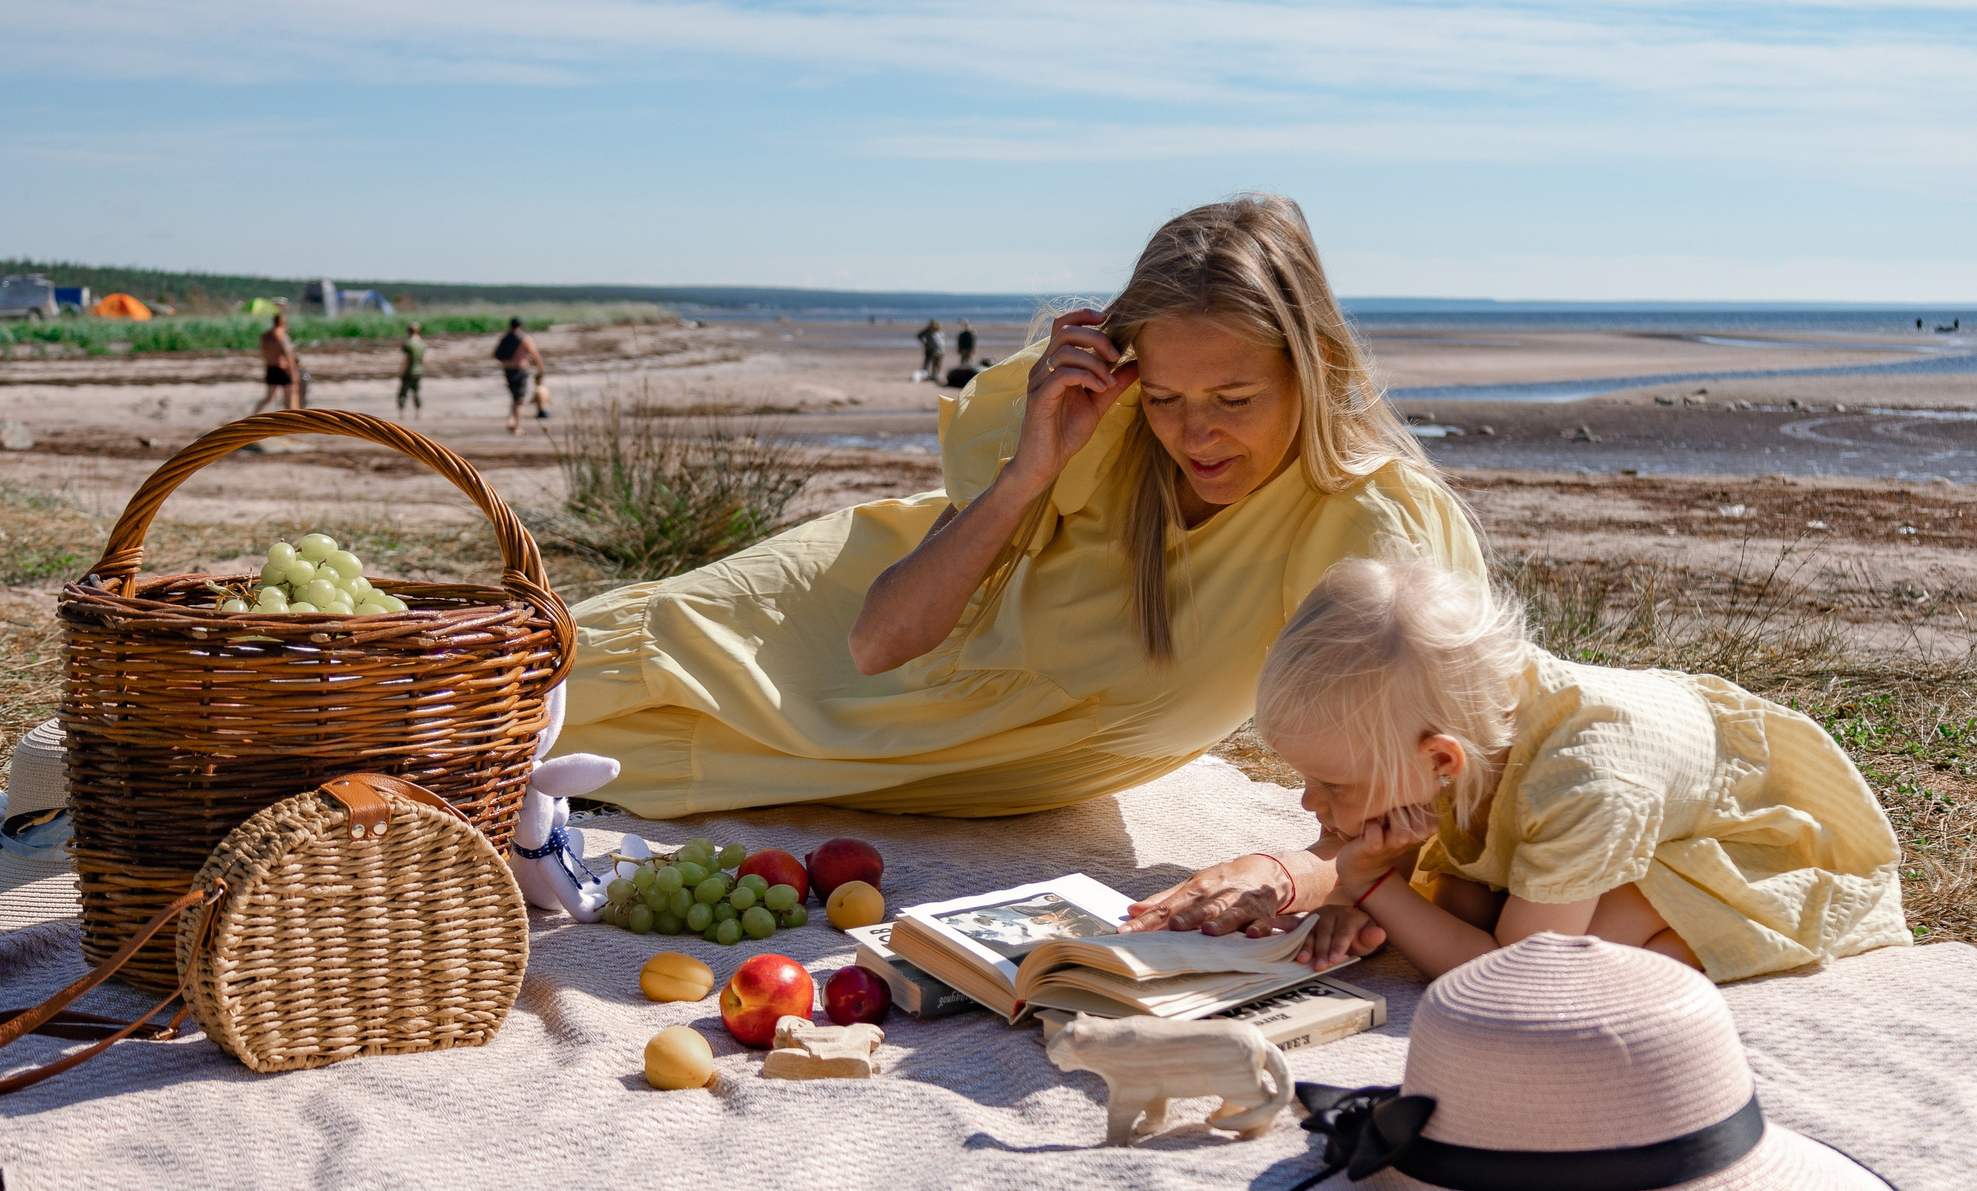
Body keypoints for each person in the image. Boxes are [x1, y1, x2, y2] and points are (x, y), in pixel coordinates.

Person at [557, 193, 1483, 821]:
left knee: (528, 762)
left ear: (1315, 369)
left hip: (939, 753)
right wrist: (1029, 469)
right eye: (1164, 397)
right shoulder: (1108, 433)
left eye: (1233, 401)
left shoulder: (1368, 527)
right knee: (512, 685)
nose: (1193, 434)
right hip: (831, 620)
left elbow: (1425, 792)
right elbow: (878, 641)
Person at [1220, 555, 1910, 985]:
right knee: (1465, 905)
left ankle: (1699, 935)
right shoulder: (1468, 715)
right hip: (1627, 798)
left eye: (1334, 783)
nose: (1309, 801)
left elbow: (1508, 976)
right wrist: (1359, 901)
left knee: (1583, 954)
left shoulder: (1587, 780)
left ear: (1441, 759)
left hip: (1751, 830)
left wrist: (1369, 884)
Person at [495, 317, 542, 434]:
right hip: (520, 370)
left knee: (514, 397)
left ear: (510, 326)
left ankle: (511, 420)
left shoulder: (505, 337)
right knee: (520, 400)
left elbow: (497, 354)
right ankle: (518, 427)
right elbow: (534, 354)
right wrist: (540, 368)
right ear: (520, 326)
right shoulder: (524, 338)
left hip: (507, 370)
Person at [253, 311, 302, 413]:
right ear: (283, 322)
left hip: (270, 368)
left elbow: (263, 352)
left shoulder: (265, 336)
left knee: (269, 398)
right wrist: (294, 373)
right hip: (282, 369)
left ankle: (252, 415)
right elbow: (289, 356)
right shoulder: (281, 335)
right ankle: (293, 421)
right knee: (290, 397)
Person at [396, 322, 426, 414]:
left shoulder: (408, 343)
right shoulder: (422, 343)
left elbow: (406, 359)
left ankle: (403, 412)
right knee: (416, 392)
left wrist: (402, 372)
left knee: (403, 393)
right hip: (418, 371)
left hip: (409, 371)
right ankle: (418, 412)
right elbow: (424, 360)